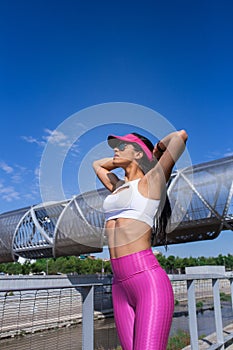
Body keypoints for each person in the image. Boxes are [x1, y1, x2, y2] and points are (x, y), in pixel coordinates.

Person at [93, 130, 188, 350]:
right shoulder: (117, 187)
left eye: (122, 146)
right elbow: (97, 165)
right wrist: (121, 160)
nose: (115, 150)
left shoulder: (151, 181)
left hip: (147, 282)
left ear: (138, 153)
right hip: (119, 285)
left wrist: (154, 153)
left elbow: (180, 137)